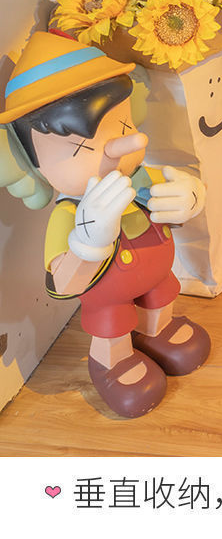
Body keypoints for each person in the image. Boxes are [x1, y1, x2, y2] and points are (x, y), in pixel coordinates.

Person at [0, 30, 210, 417]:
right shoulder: (69, 215)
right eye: (82, 147)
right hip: (108, 297)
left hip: (157, 277)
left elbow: (175, 196)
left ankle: (157, 331)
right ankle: (112, 362)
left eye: (125, 127)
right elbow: (62, 283)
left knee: (161, 298)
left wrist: (191, 196)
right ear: (30, 164)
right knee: (112, 323)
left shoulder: (141, 180)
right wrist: (87, 243)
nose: (125, 145)